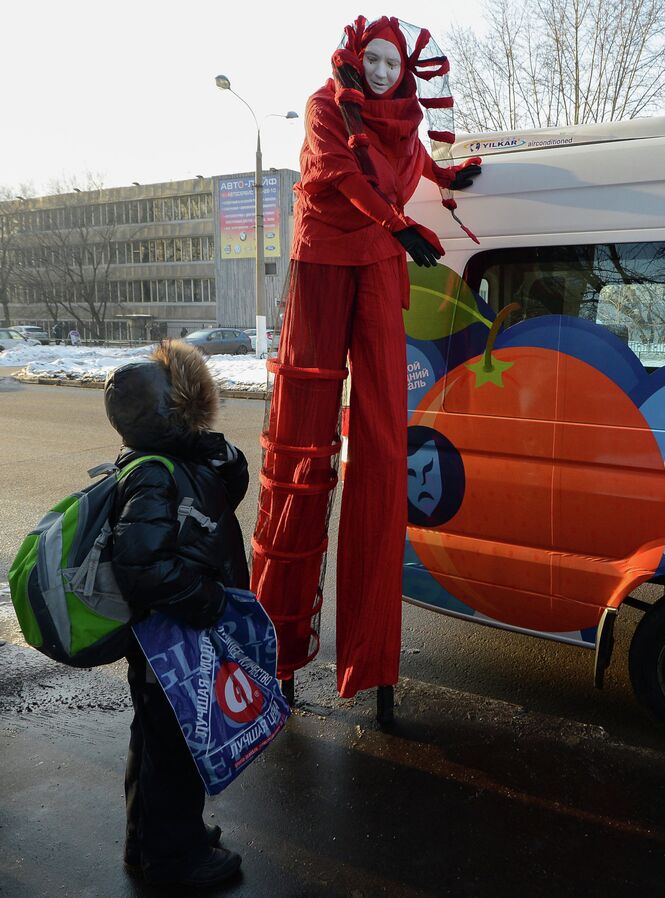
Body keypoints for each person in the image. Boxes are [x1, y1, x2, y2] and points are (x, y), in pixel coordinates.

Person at [250, 14, 481, 719]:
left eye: (392, 63)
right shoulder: (327, 106)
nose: (383, 72)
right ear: (355, 58)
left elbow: (410, 163)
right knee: (302, 451)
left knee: (383, 453)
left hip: (380, 265)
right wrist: (397, 222)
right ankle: (280, 657)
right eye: (373, 61)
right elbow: (342, 173)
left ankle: (374, 668)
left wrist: (448, 175)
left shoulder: (405, 119)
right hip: (325, 262)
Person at [104, 339, 250, 888]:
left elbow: (226, 487)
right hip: (170, 632)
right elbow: (143, 565)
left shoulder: (177, 465)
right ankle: (175, 858)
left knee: (158, 739)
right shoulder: (153, 475)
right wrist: (207, 601)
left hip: (168, 633)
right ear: (174, 413)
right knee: (175, 745)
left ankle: (153, 840)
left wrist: (207, 447)